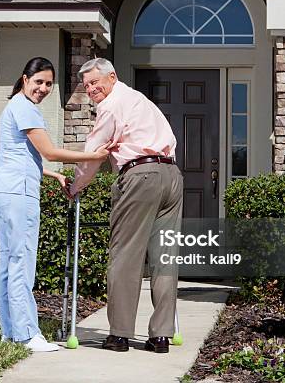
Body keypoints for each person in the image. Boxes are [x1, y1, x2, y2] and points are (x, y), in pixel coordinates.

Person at [0, 57, 109, 352]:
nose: (43, 88)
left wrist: (53, 174)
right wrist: (93, 157)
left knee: (9, 261)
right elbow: (50, 152)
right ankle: (28, 335)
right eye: (38, 81)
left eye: (48, 84)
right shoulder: (25, 108)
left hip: (4, 189)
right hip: (18, 193)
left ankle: (10, 330)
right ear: (25, 78)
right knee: (21, 261)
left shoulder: (14, 107)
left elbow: (21, 156)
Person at [70, 58, 183, 353]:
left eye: (95, 82)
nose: (91, 89)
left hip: (140, 176)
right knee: (165, 258)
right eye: (87, 86)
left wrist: (76, 185)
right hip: (171, 175)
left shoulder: (110, 106)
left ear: (112, 77)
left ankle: (119, 335)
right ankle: (161, 337)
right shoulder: (139, 99)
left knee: (125, 255)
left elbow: (93, 153)